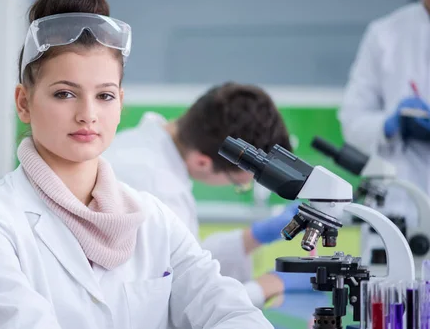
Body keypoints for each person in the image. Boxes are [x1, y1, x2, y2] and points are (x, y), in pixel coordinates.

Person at [0, 0, 280, 329]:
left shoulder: (152, 218)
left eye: (104, 96)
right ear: (23, 103)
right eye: (64, 93)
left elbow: (233, 311)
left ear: (120, 103)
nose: (88, 114)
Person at [103, 83, 312, 308]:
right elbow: (180, 301)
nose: (241, 186)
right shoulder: (156, 189)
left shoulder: (140, 146)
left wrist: (253, 237)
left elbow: (184, 258)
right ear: (202, 162)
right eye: (240, 184)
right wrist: (267, 285)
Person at [338, 0, 430, 260]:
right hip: (397, 208)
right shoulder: (386, 35)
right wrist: (389, 125)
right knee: (389, 297)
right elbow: (352, 121)